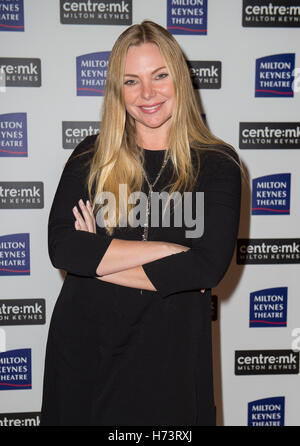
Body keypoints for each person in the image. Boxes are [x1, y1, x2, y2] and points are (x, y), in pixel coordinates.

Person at [40, 20, 241, 426]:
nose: (148, 93)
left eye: (159, 76)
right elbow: (63, 248)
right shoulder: (91, 156)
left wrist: (99, 257)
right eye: (132, 81)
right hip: (85, 355)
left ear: (179, 79)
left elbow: (207, 267)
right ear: (118, 90)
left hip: (169, 363)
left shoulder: (218, 164)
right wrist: (171, 252)